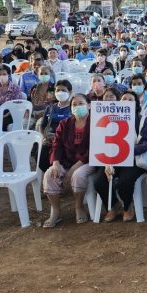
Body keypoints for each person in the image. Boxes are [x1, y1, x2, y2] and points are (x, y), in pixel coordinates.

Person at [93, 91, 147, 222]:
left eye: (130, 100)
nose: (126, 102)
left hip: (133, 160)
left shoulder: (143, 120)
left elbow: (146, 142)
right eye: (123, 99)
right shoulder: (109, 119)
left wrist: (125, 152)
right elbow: (100, 141)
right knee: (99, 181)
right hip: (111, 160)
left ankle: (127, 207)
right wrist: (107, 161)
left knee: (125, 181)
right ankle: (113, 207)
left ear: (136, 104)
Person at [42, 94, 97, 227]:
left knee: (78, 175)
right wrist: (55, 163)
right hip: (66, 160)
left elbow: (95, 148)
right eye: (74, 104)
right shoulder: (64, 124)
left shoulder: (96, 122)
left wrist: (74, 168)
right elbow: (57, 144)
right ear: (71, 108)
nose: (78, 107)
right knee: (50, 174)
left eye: (81, 103)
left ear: (89, 105)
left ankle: (79, 207)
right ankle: (56, 211)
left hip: (88, 161)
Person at [36, 80, 72, 172]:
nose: (60, 93)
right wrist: (44, 137)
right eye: (57, 90)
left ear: (70, 92)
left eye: (63, 90)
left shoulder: (72, 108)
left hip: (65, 141)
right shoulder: (50, 107)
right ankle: (51, 174)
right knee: (40, 154)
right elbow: (43, 125)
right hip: (49, 140)